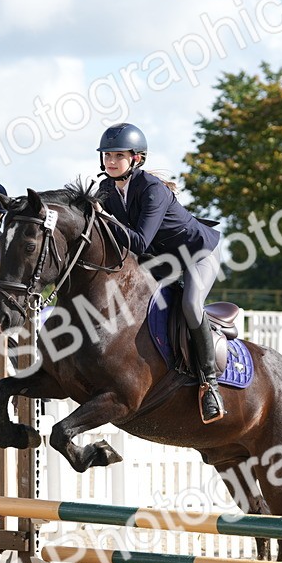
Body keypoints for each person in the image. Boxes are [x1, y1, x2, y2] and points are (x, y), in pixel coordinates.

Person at [93, 122, 226, 423]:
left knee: (190, 304)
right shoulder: (106, 188)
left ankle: (210, 384)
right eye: (107, 156)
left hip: (197, 252)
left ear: (136, 159)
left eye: (118, 156)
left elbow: (139, 242)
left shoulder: (152, 190)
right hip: (163, 257)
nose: (110, 162)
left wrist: (105, 219)